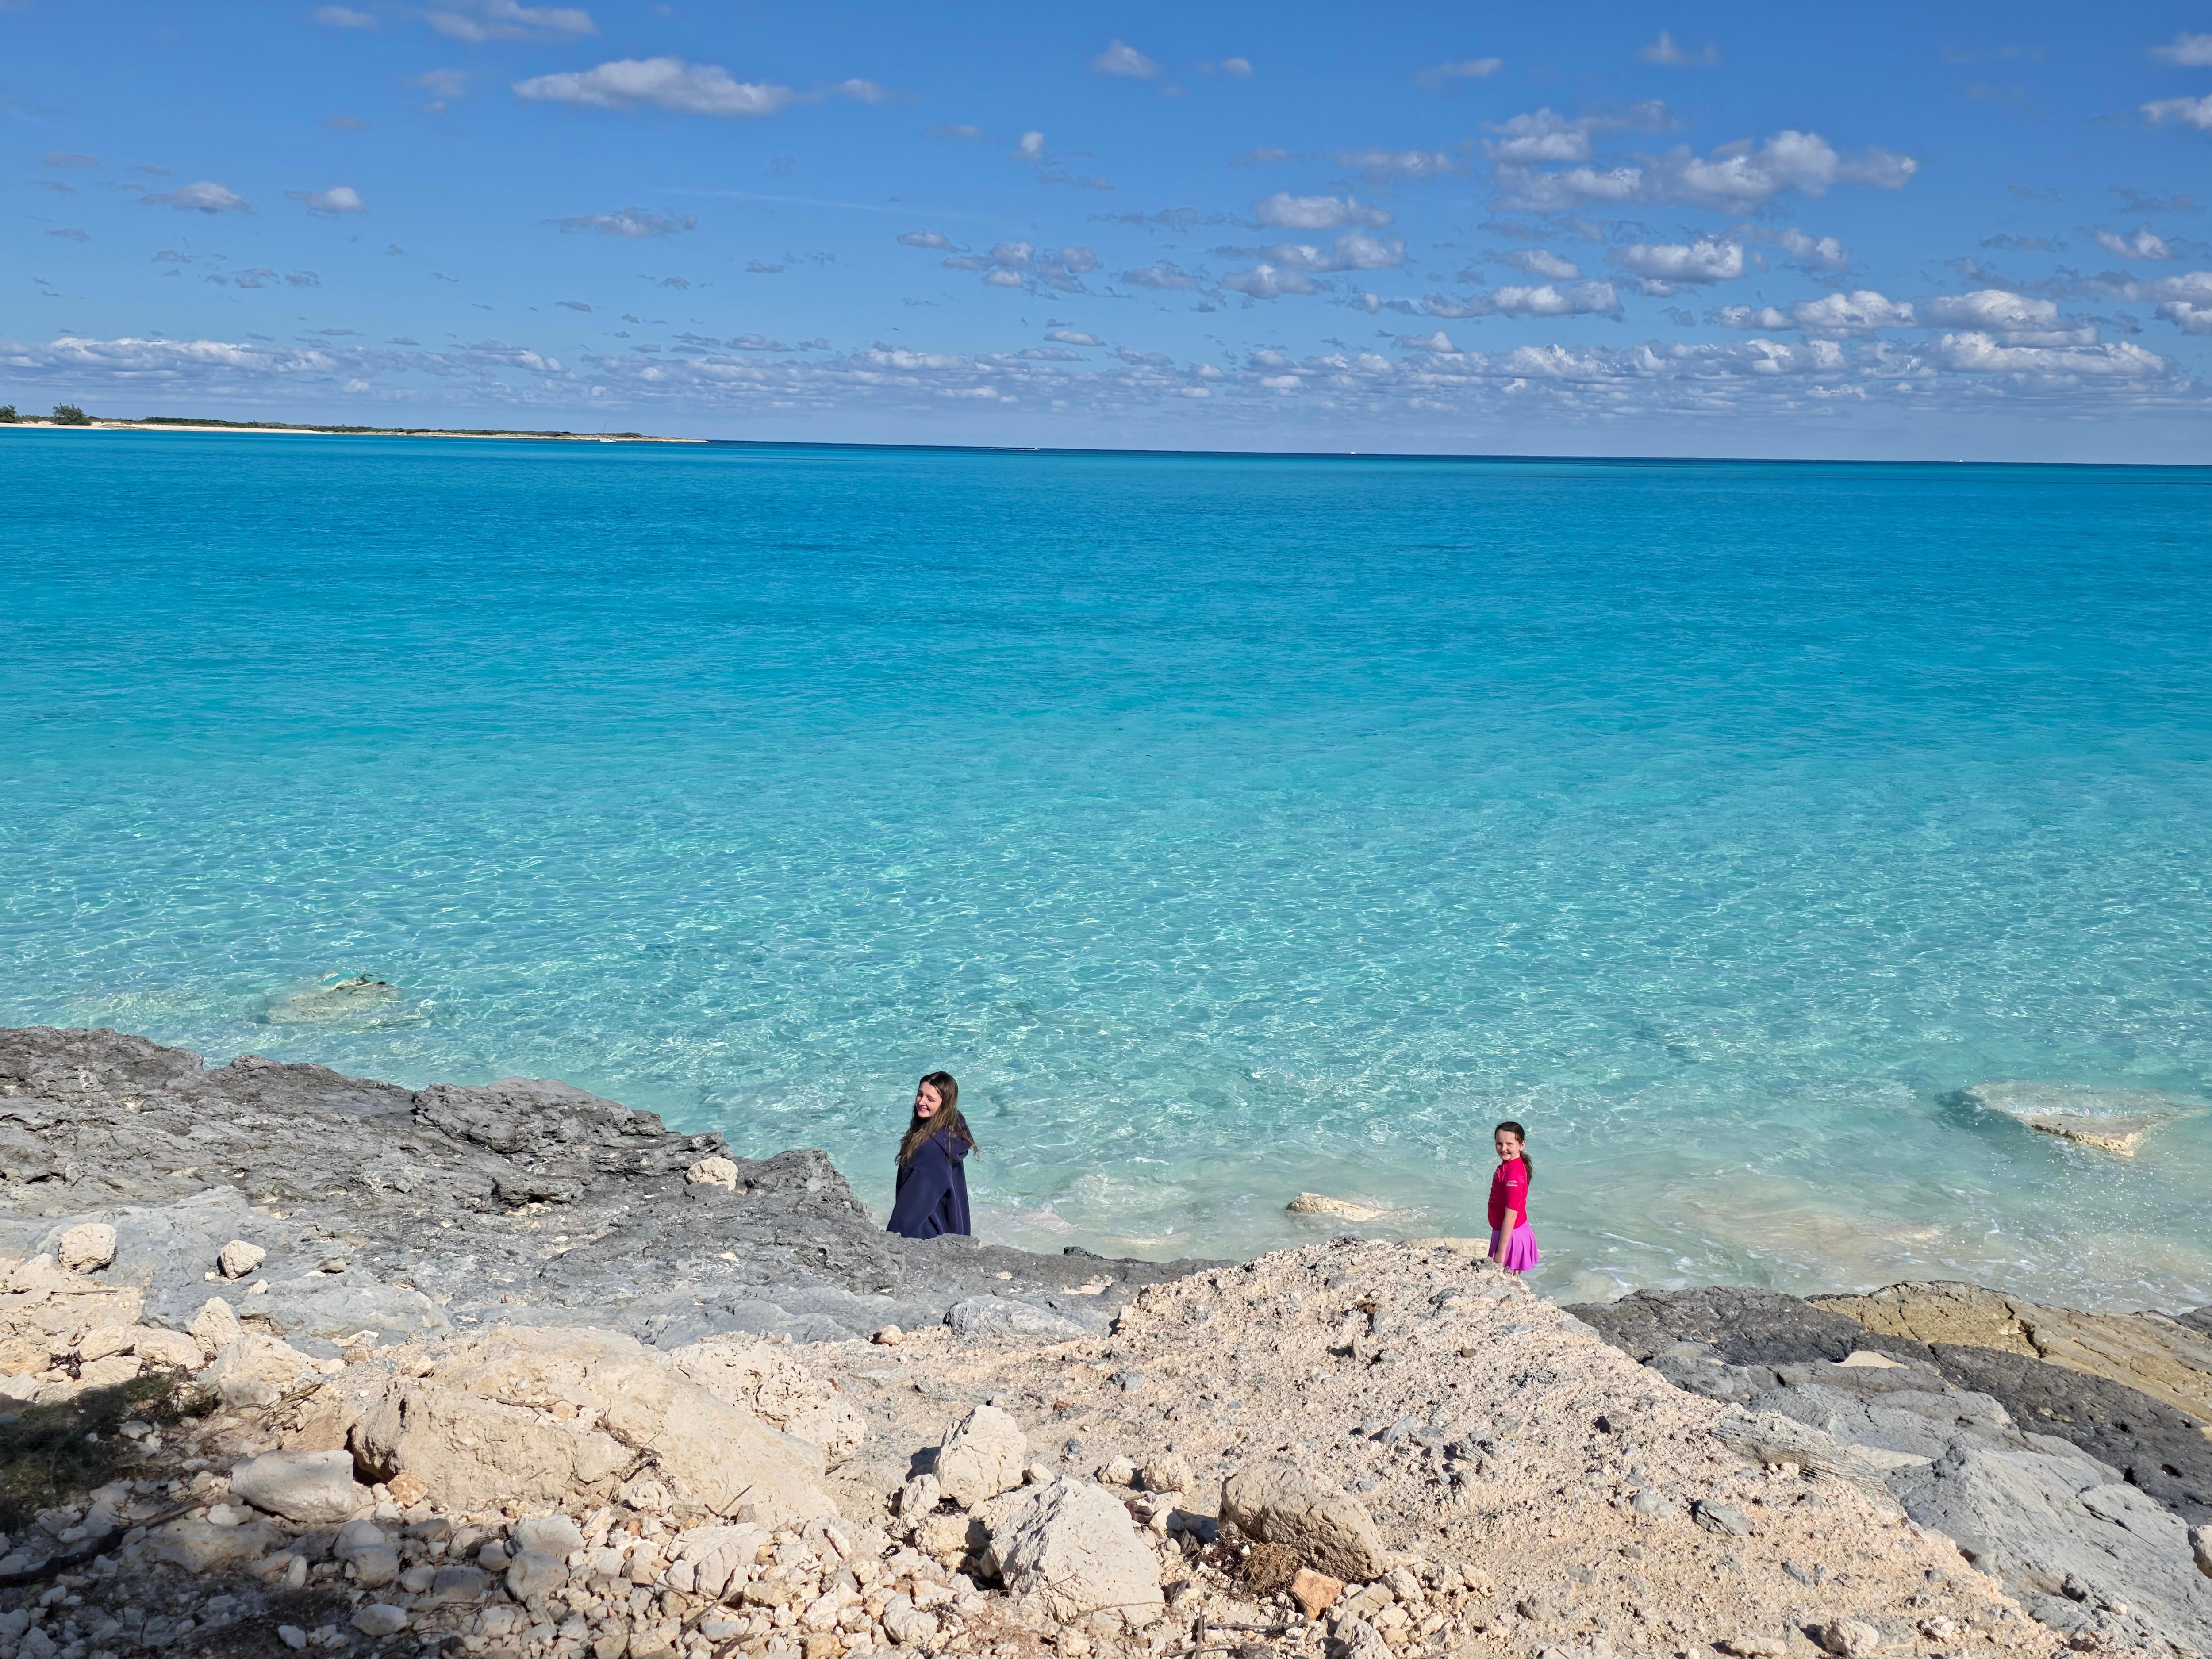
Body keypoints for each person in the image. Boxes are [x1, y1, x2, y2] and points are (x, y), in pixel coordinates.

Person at [886, 1071, 976, 1240]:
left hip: (926, 1239)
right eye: (920, 1094)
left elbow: (908, 1214)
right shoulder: (951, 1130)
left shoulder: (930, 1153)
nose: (921, 1102)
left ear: (945, 1105)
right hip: (951, 1230)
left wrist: (889, 1243)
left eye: (931, 1099)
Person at [1487, 1120, 1540, 1273]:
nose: (1503, 1149)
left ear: (1521, 1145)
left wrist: (1501, 1252)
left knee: (1507, 1277)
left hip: (1511, 1235)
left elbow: (1511, 1215)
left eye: (1510, 1144)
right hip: (1512, 1231)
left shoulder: (1514, 1176)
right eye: (1499, 1144)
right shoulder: (1511, 1166)